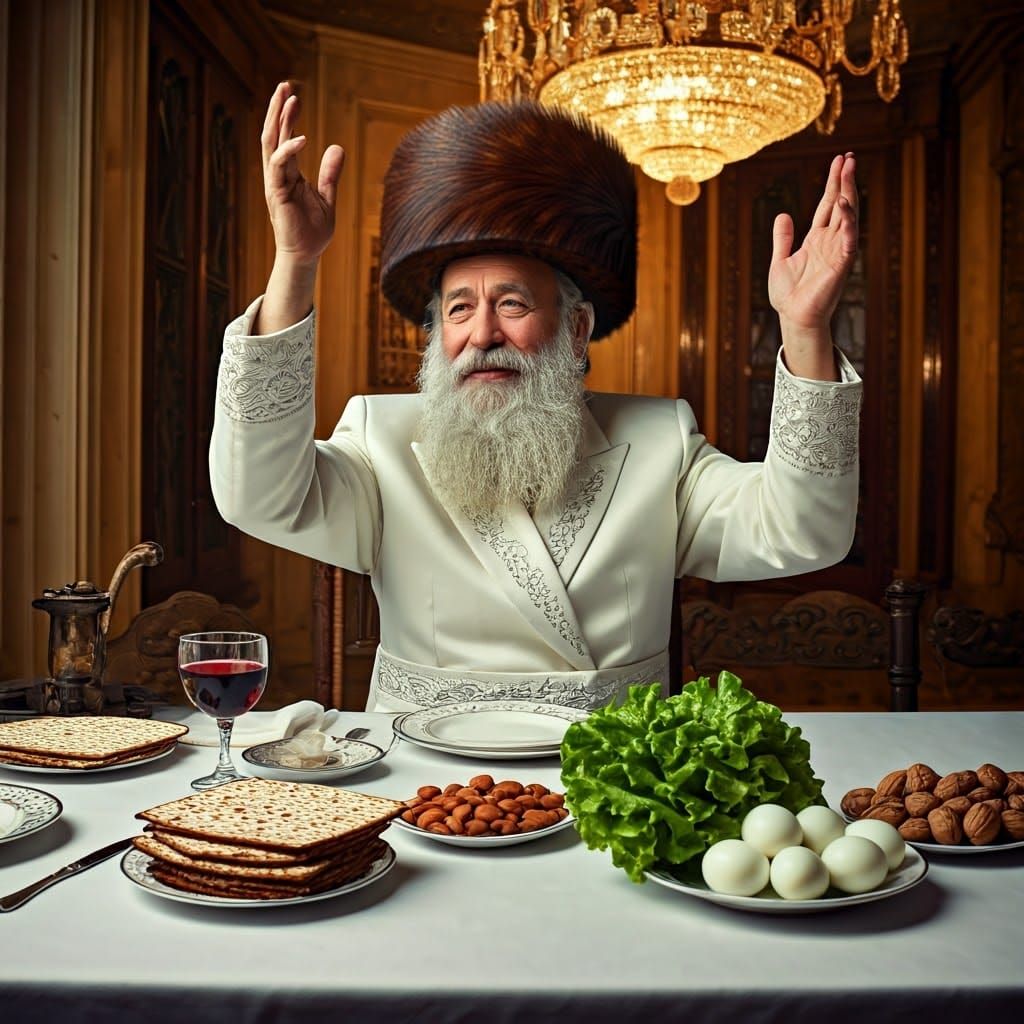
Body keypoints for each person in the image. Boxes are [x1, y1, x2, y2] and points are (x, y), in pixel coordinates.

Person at [210, 82, 863, 712]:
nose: (482, 335)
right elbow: (257, 497)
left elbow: (803, 533)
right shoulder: (380, 438)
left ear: (576, 329)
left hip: (610, 767)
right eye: (458, 310)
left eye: (512, 304)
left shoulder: (660, 439)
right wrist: (295, 263)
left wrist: (804, 329)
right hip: (425, 766)